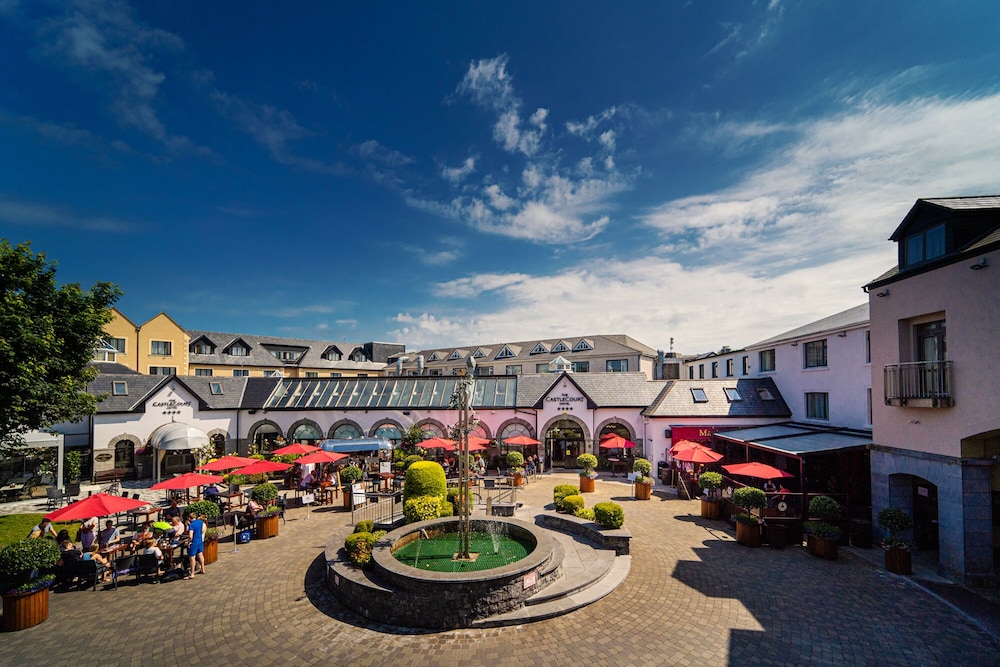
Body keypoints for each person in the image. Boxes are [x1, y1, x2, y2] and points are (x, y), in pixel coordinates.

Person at [185, 513, 206, 579]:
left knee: (192, 558)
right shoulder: (200, 522)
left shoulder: (192, 525)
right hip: (200, 541)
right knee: (200, 554)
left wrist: (189, 542)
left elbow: (190, 536)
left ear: (189, 518)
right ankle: (202, 569)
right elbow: (202, 530)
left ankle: (192, 573)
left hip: (193, 542)